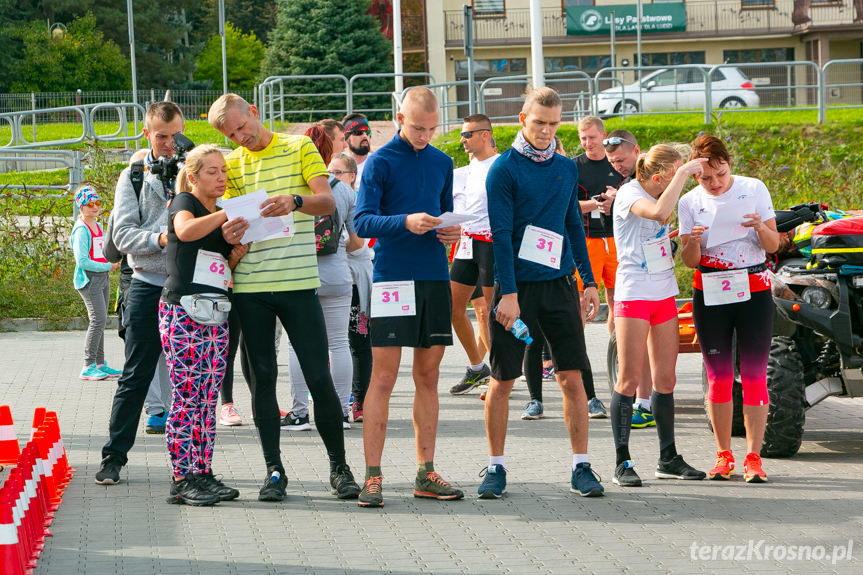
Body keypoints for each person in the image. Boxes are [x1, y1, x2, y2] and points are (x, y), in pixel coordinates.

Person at [207, 94, 361, 502]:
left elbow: (327, 202)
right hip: (251, 289)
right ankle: (274, 470)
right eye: (230, 134)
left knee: (318, 376)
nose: (240, 138)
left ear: (254, 112)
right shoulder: (233, 163)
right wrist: (230, 234)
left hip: (298, 284)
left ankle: (339, 467)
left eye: (242, 127)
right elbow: (223, 219)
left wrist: (294, 202)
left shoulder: (299, 146)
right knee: (262, 381)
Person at [478, 87, 603, 500]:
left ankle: (581, 465)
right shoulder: (504, 170)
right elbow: (500, 234)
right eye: (539, 123)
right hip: (516, 289)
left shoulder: (567, 169)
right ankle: (495, 467)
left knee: (572, 378)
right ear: (522, 119)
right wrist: (508, 294)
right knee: (503, 379)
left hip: (560, 285)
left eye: (553, 124)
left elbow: (572, 226)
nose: (547, 131)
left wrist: (587, 281)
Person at [353, 87, 464, 508]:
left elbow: (445, 213)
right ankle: (373, 474)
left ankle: (426, 470)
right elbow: (363, 221)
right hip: (393, 278)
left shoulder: (442, 161)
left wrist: (449, 230)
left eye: (432, 128)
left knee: (429, 377)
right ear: (399, 118)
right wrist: (404, 221)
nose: (425, 135)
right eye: (418, 127)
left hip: (434, 276)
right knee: (383, 377)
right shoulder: (380, 161)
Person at [678, 134, 780, 484]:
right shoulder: (690, 201)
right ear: (695, 176)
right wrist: (691, 240)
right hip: (711, 289)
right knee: (719, 376)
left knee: (753, 375)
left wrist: (759, 228)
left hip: (753, 288)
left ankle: (754, 456)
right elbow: (690, 260)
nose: (715, 183)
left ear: (729, 165)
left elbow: (772, 245)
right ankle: (723, 454)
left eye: (720, 174)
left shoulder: (754, 188)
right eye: (706, 178)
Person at [96, 101, 186, 485]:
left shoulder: (193, 169)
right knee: (136, 373)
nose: (169, 144)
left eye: (174, 136)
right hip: (147, 285)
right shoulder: (132, 175)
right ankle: (114, 457)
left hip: (189, 287)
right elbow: (122, 236)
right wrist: (163, 238)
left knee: (190, 379)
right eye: (161, 136)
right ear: (146, 133)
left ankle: (191, 465)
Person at [609, 144, 708, 487]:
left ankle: (668, 457)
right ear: (657, 178)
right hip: (634, 294)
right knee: (629, 379)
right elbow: (659, 214)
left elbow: (659, 229)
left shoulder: (655, 191)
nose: (682, 182)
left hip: (663, 292)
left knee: (666, 380)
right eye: (676, 176)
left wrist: (679, 237)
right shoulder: (628, 194)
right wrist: (682, 173)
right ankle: (623, 461)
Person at [159, 144, 248, 506]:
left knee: (207, 397)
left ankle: (202, 471)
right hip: (182, 312)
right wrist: (226, 213)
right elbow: (185, 231)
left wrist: (236, 254)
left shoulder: (219, 216)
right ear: (194, 177)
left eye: (224, 171)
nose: (222, 177)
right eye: (213, 172)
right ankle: (182, 477)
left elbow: (219, 268)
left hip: (214, 313)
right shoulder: (185, 202)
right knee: (186, 397)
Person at [285, 127, 364, 431]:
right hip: (336, 274)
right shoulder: (343, 190)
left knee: (297, 345)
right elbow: (358, 241)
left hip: (298, 274)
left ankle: (300, 412)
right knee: (339, 343)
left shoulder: (292, 186)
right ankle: (342, 411)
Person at [603, 130, 655, 429]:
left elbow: (661, 213)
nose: (618, 166)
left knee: (648, 345)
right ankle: (644, 402)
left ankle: (647, 403)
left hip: (652, 274)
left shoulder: (653, 176)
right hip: (637, 270)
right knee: (640, 344)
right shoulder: (629, 184)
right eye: (612, 162)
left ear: (637, 150)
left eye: (621, 159)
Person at [448, 114, 499, 395]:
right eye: (462, 134)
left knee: (492, 313)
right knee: (452, 307)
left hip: (491, 245)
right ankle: (478, 367)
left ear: (484, 135)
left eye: (467, 134)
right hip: (466, 244)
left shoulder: (500, 165)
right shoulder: (466, 170)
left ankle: (503, 374)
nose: (462, 139)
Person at [330, 153, 374, 424]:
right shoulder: (325, 200)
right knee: (334, 343)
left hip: (356, 279)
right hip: (333, 278)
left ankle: (360, 401)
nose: (332, 178)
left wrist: (331, 247)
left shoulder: (359, 200)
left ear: (352, 176)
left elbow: (358, 242)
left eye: (338, 173)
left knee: (358, 343)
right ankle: (337, 399)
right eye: (329, 172)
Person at [71, 186, 121, 381]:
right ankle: (87, 365)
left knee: (101, 320)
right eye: (90, 204)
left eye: (97, 203)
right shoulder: (81, 229)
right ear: (81, 207)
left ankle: (100, 364)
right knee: (97, 320)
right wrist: (108, 267)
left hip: (102, 278)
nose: (95, 207)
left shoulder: (97, 225)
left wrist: (111, 262)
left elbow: (101, 252)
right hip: (89, 280)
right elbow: (82, 261)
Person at [342, 114, 373, 183]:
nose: (365, 136)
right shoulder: (337, 166)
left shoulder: (379, 164)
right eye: (358, 133)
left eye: (367, 132)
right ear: (346, 138)